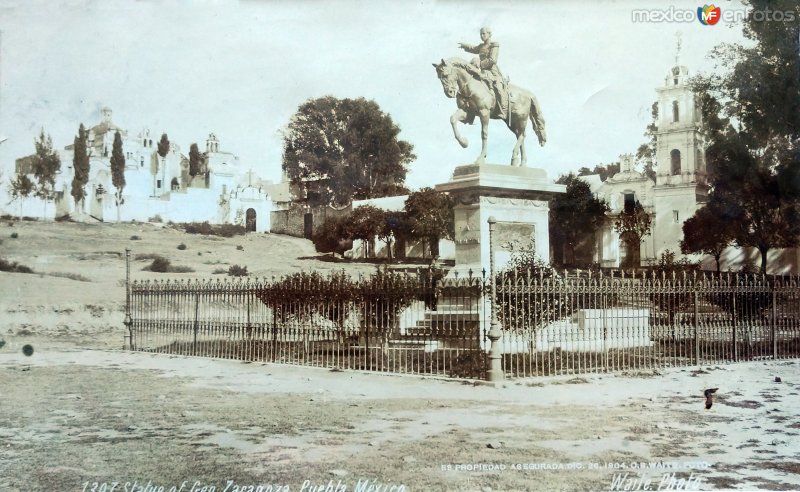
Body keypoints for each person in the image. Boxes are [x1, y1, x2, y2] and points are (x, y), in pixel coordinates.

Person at [459, 27, 508, 120]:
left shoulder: (494, 45)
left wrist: (480, 64)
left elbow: (493, 60)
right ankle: (470, 114)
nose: (482, 36)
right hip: (482, 72)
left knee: (498, 88)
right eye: (481, 34)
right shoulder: (481, 46)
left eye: (484, 34)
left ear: (489, 34)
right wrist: (464, 45)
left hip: (492, 72)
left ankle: (504, 111)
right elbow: (473, 48)